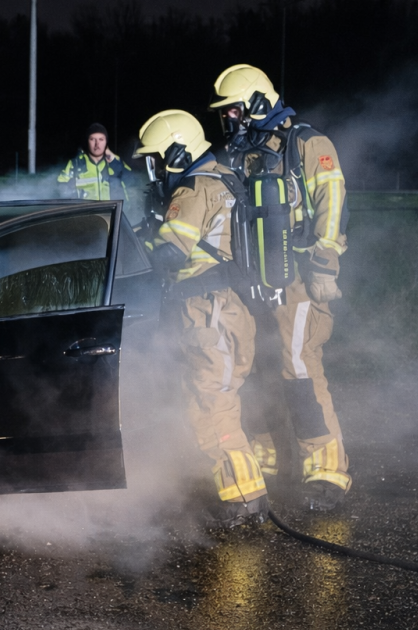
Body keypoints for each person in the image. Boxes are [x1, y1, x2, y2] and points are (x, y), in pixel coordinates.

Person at [210, 64, 352, 511]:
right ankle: (270, 457)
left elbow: (332, 203)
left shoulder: (307, 144)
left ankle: (328, 468)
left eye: (233, 110)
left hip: (300, 277)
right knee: (256, 369)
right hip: (252, 278)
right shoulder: (244, 153)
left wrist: (325, 262)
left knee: (299, 366)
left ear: (254, 102)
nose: (229, 119)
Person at [135, 109, 267, 528]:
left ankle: (246, 500)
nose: (152, 169)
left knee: (214, 406)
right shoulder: (226, 178)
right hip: (231, 307)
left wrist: (141, 241)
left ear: (177, 152)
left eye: (156, 159)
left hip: (205, 311)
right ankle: (239, 495)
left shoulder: (191, 190)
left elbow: (171, 252)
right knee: (210, 401)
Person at [57, 123, 133, 203]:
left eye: (101, 139)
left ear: (106, 142)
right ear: (87, 141)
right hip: (86, 212)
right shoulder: (76, 163)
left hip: (114, 212)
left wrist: (114, 162)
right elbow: (60, 187)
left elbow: (133, 181)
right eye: (92, 139)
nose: (97, 144)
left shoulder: (116, 161)